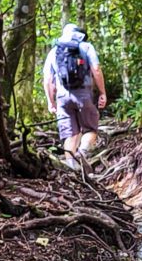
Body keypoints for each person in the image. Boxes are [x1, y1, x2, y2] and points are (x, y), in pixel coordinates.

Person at [43, 22, 107, 170]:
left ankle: (71, 168)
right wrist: (102, 92)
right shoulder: (86, 47)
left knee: (70, 134)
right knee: (90, 129)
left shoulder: (54, 51)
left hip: (62, 97)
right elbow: (96, 69)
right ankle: (81, 153)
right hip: (84, 94)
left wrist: (50, 102)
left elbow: (48, 80)